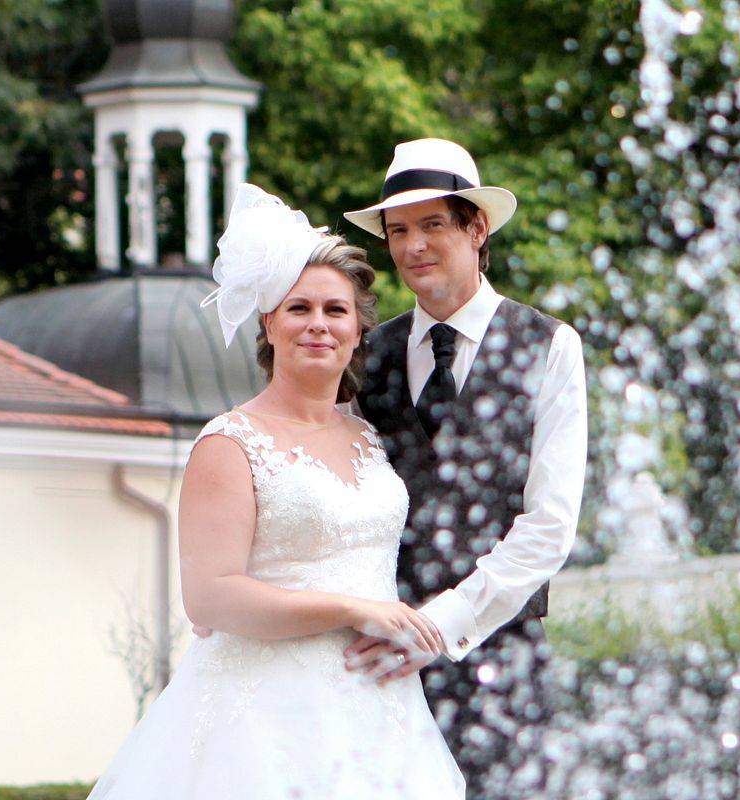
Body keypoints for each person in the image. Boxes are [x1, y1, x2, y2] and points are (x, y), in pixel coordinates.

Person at [86, 184, 465, 799]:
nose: (319, 324)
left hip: (380, 709)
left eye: (335, 310)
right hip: (263, 717)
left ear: (358, 330)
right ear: (270, 321)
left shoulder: (370, 436)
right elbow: (210, 598)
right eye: (300, 308)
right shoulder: (230, 443)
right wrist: (351, 609)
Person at [342, 138, 588, 798]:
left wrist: (442, 626)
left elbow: (549, 528)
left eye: (432, 225)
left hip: (500, 661)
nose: (413, 246)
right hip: (376, 661)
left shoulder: (549, 346)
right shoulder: (367, 355)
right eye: (398, 231)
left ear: (476, 228)